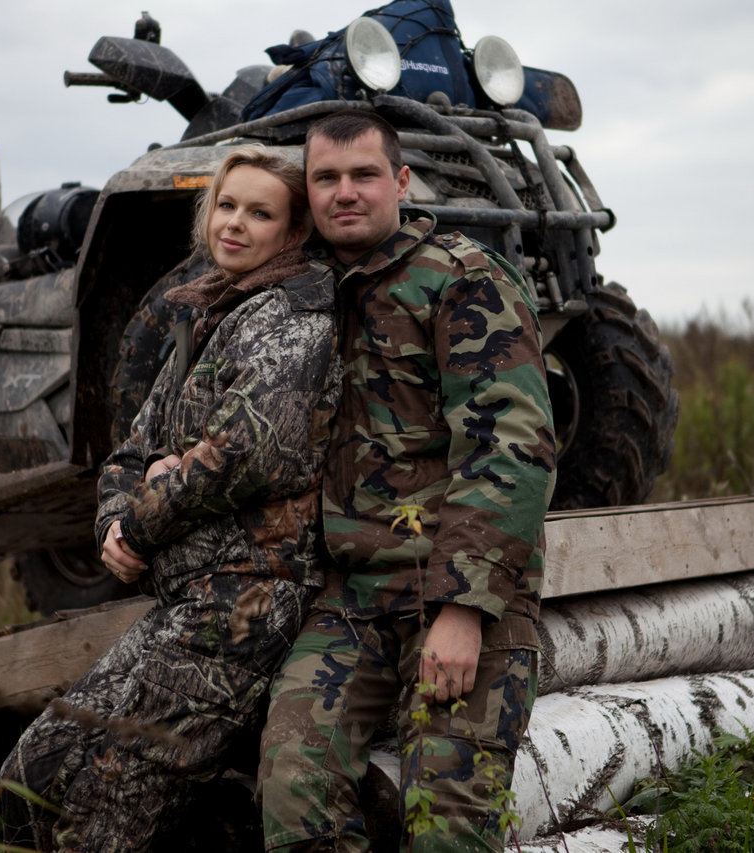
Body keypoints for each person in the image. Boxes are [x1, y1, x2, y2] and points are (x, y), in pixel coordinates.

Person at [0, 145, 342, 853]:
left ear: (293, 232)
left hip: (244, 603)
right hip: (182, 597)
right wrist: (114, 523)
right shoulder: (206, 312)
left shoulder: (296, 317)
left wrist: (142, 522)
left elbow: (246, 453)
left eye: (260, 213)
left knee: (104, 812)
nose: (235, 223)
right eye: (226, 205)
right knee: (32, 771)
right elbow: (132, 449)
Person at [256, 111, 557, 853]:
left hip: (454, 595)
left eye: (364, 175)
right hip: (348, 600)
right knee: (293, 792)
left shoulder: (462, 279)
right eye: (326, 178)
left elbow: (511, 447)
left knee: (448, 828)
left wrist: (463, 607)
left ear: (401, 181)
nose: (345, 192)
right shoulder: (294, 295)